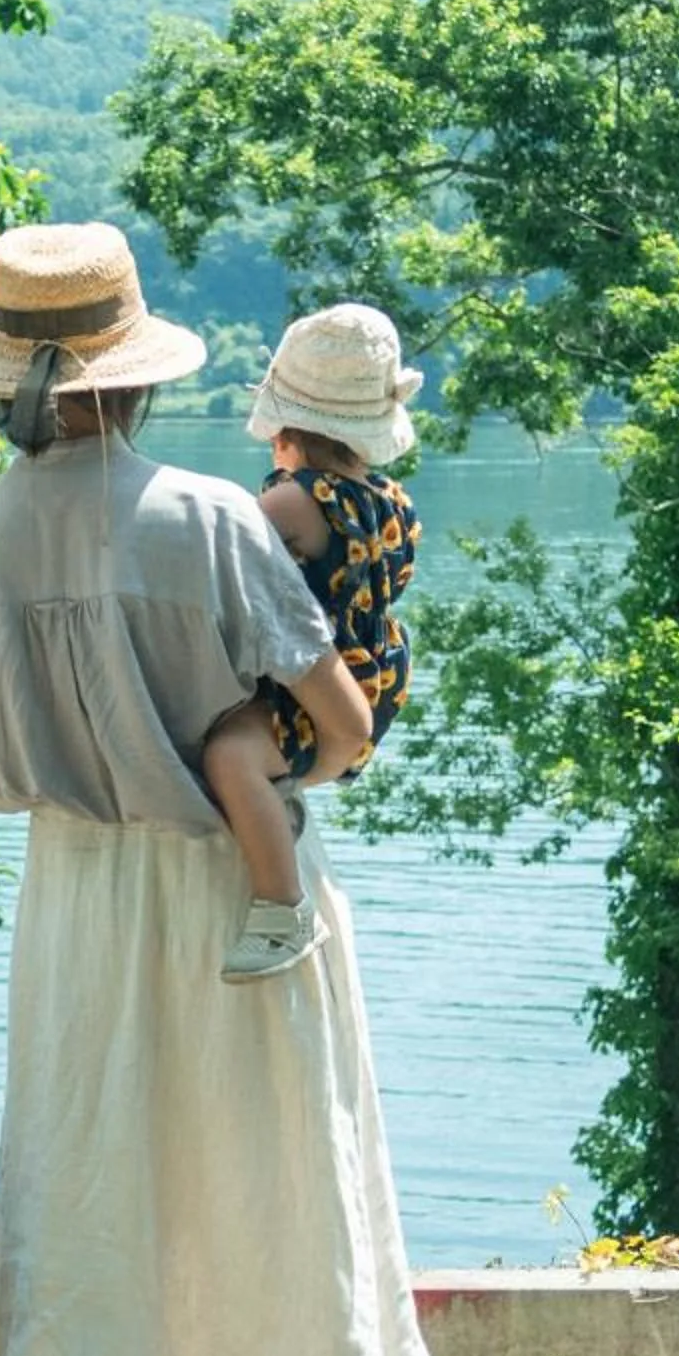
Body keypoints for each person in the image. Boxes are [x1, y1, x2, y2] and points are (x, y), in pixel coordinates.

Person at [0, 223, 431, 1356]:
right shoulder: (209, 515)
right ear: (133, 376)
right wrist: (297, 770)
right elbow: (344, 723)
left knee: (102, 1191)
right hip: (232, 876)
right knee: (281, 1168)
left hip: (80, 895)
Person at [198, 304, 424, 980]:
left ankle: (281, 909)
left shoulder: (291, 502)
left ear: (287, 429)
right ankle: (280, 806)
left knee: (230, 755)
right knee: (252, 760)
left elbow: (226, 575)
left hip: (318, 691)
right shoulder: (393, 500)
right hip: (378, 677)